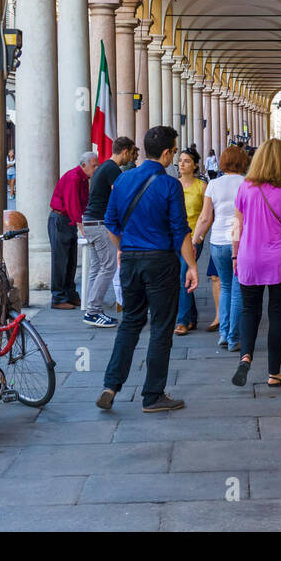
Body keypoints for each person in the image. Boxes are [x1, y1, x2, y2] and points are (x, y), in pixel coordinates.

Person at [97, 125, 198, 413]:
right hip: (161, 262)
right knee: (162, 328)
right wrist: (191, 265)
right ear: (167, 153)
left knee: (130, 322)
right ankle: (152, 395)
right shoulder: (169, 185)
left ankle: (110, 385)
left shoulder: (124, 180)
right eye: (174, 152)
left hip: (130, 260)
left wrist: (122, 249)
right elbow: (180, 230)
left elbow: (111, 223)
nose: (174, 157)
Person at [230, 139, 281, 387]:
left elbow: (236, 226)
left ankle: (245, 357)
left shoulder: (246, 187)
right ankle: (274, 373)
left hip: (249, 257)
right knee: (277, 313)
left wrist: (235, 255)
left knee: (250, 310)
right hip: (279, 258)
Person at [193, 145, 248, 350]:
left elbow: (206, 217)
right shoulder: (247, 184)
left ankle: (224, 334)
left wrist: (196, 239)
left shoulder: (213, 184)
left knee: (225, 286)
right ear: (243, 162)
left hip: (216, 241)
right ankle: (234, 338)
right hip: (239, 241)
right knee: (237, 290)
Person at [80, 135, 134, 329]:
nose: (132, 158)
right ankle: (93, 311)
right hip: (100, 223)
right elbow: (120, 195)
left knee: (97, 267)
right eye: (132, 153)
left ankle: (91, 307)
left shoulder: (103, 167)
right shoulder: (112, 169)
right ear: (125, 151)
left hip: (90, 222)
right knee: (108, 267)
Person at [49, 151, 97, 310]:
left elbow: (84, 202)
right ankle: (58, 297)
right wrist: (82, 226)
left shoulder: (84, 178)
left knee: (70, 260)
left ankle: (70, 294)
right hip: (60, 219)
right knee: (60, 260)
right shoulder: (74, 178)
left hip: (67, 220)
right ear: (84, 165)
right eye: (94, 165)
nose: (96, 168)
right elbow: (73, 204)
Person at [173, 147, 206, 334]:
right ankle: (192, 316)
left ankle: (182, 321)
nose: (182, 163)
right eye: (180, 160)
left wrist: (200, 236)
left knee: (182, 275)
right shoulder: (173, 184)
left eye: (186, 161)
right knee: (182, 275)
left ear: (194, 165)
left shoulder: (202, 187)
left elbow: (208, 215)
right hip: (175, 237)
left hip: (193, 238)